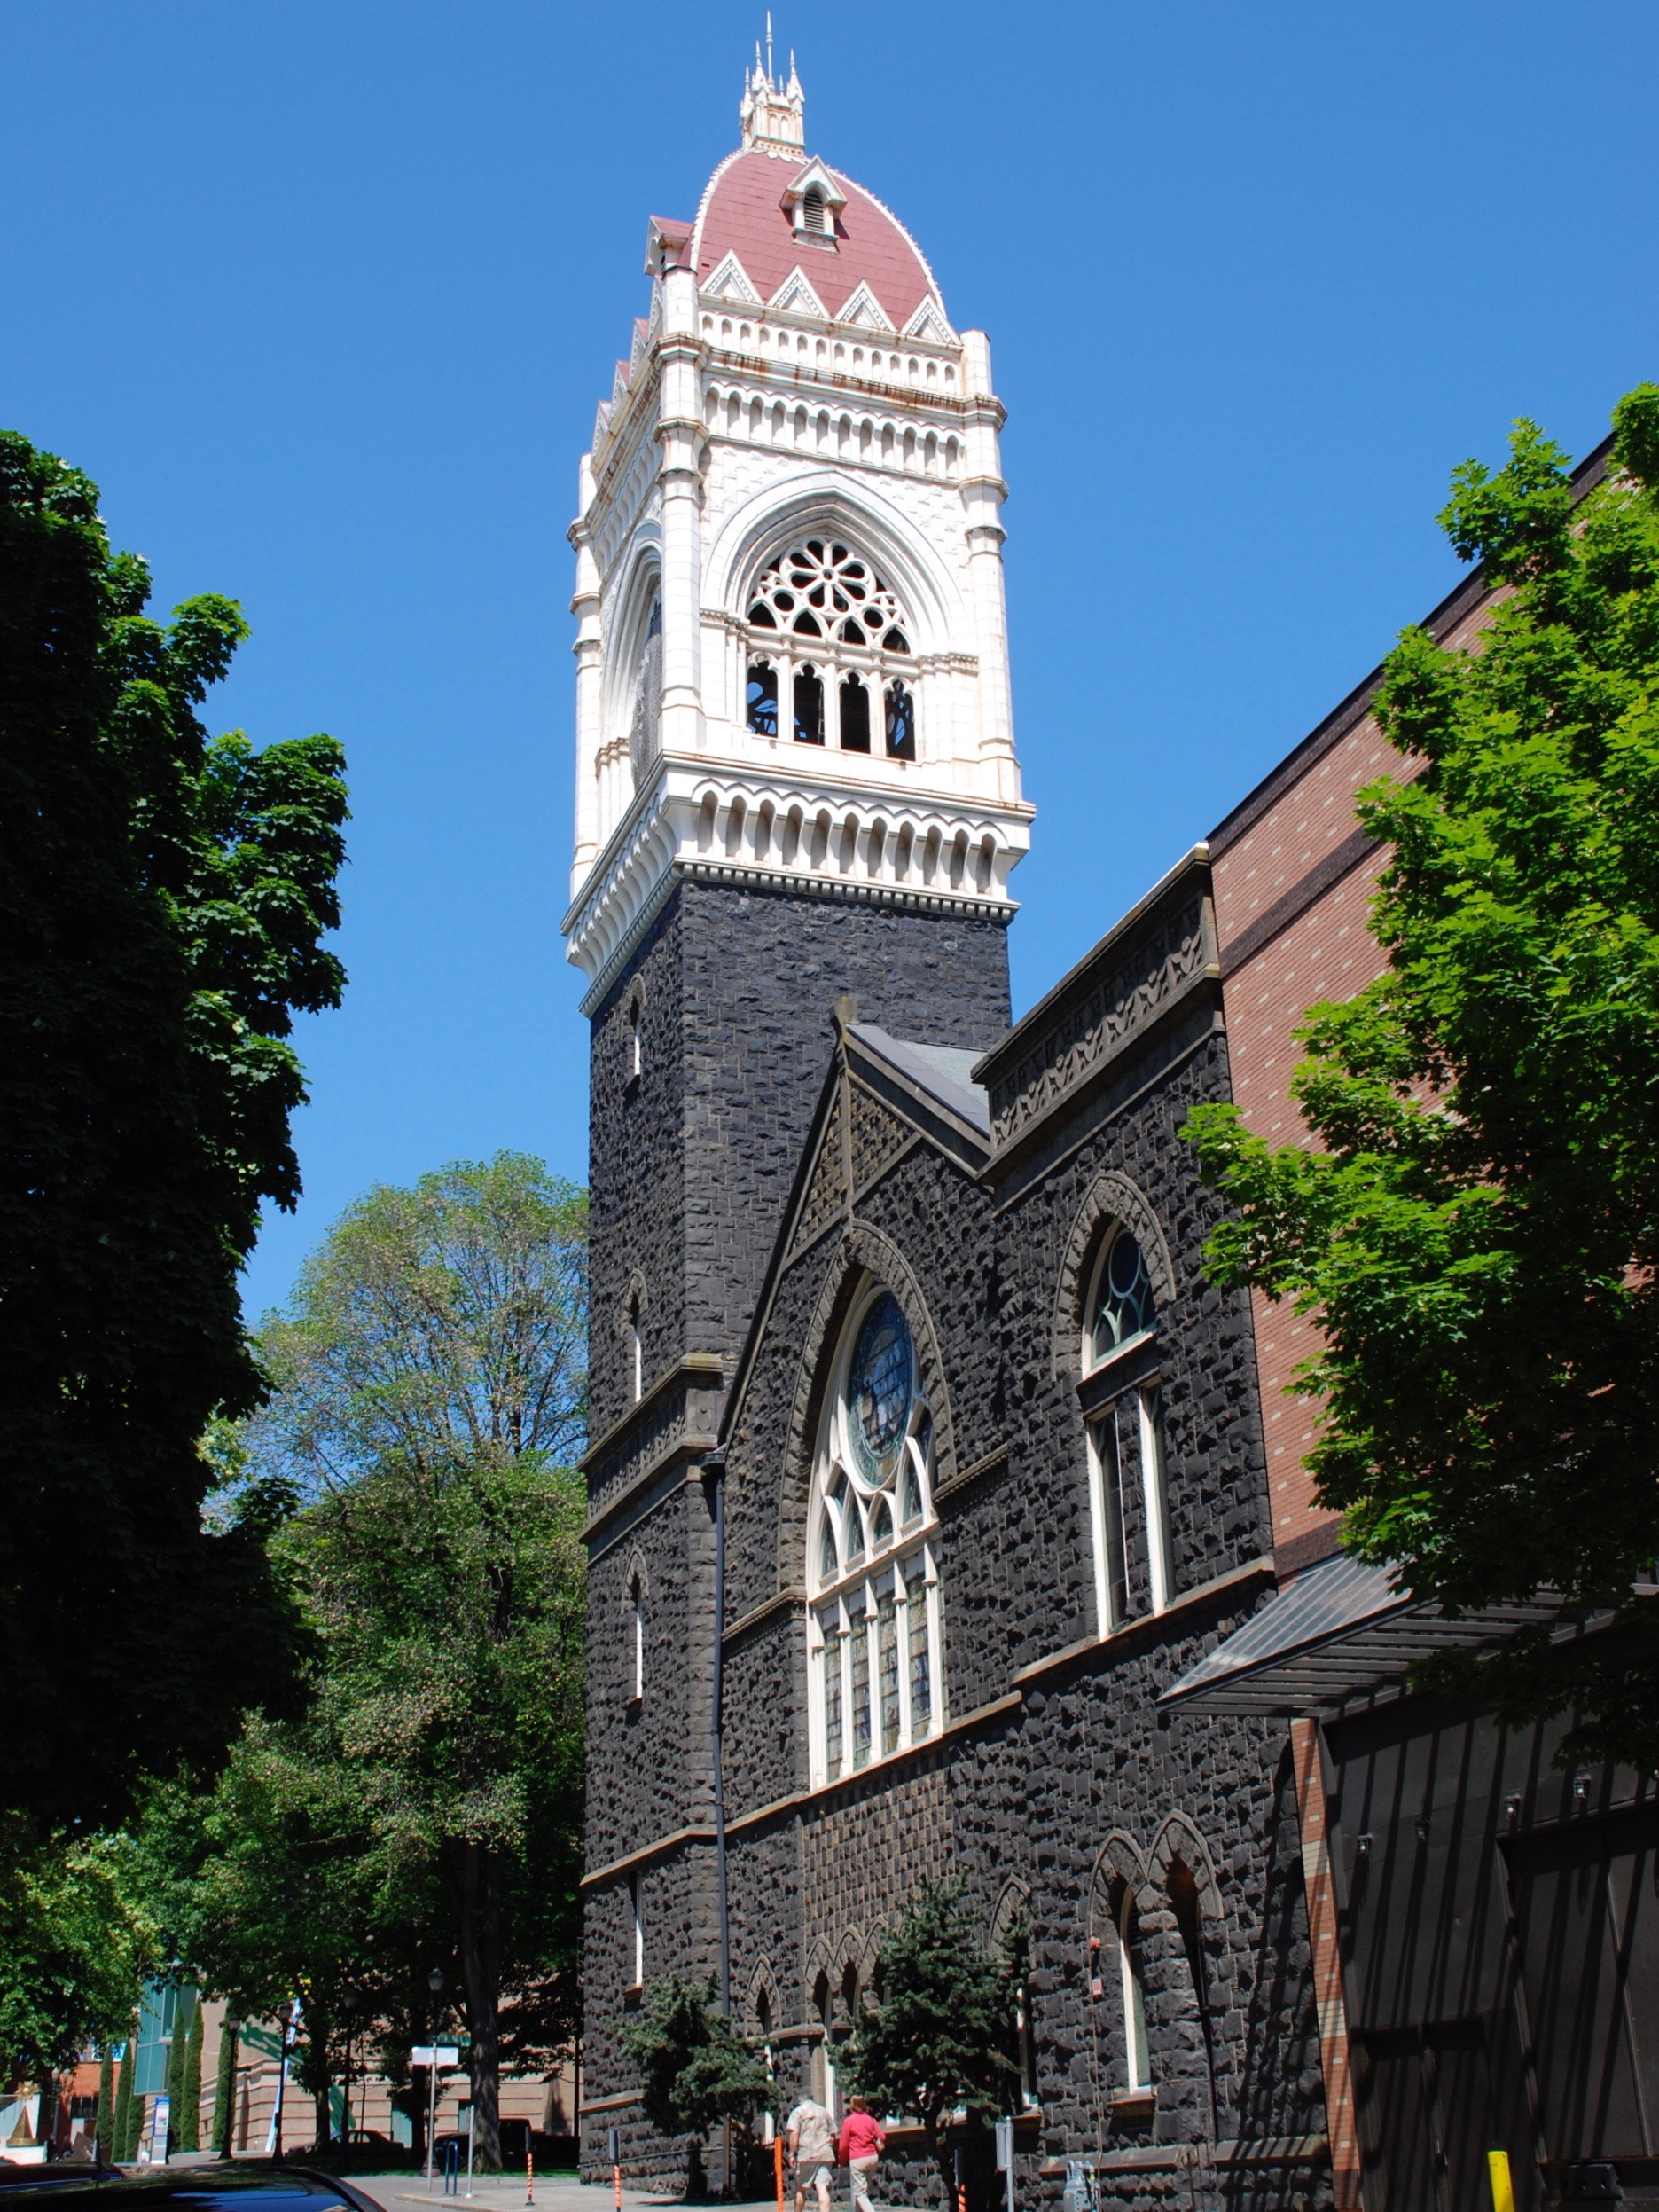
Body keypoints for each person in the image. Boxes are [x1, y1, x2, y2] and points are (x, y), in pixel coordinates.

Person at [786, 2091, 838, 2212]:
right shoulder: (823, 2111)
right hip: (825, 2152)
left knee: (801, 2188)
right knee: (822, 2188)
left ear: (800, 2100)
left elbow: (794, 2134)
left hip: (806, 2154)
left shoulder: (797, 2112)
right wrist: (830, 2144)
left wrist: (792, 2154)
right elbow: (833, 2132)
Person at [839, 2096, 887, 2212]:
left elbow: (844, 2145)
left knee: (860, 2194)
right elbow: (882, 2136)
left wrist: (841, 2161)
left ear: (853, 2106)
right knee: (862, 2192)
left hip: (858, 2159)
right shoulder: (871, 2119)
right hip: (872, 2158)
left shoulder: (849, 2121)